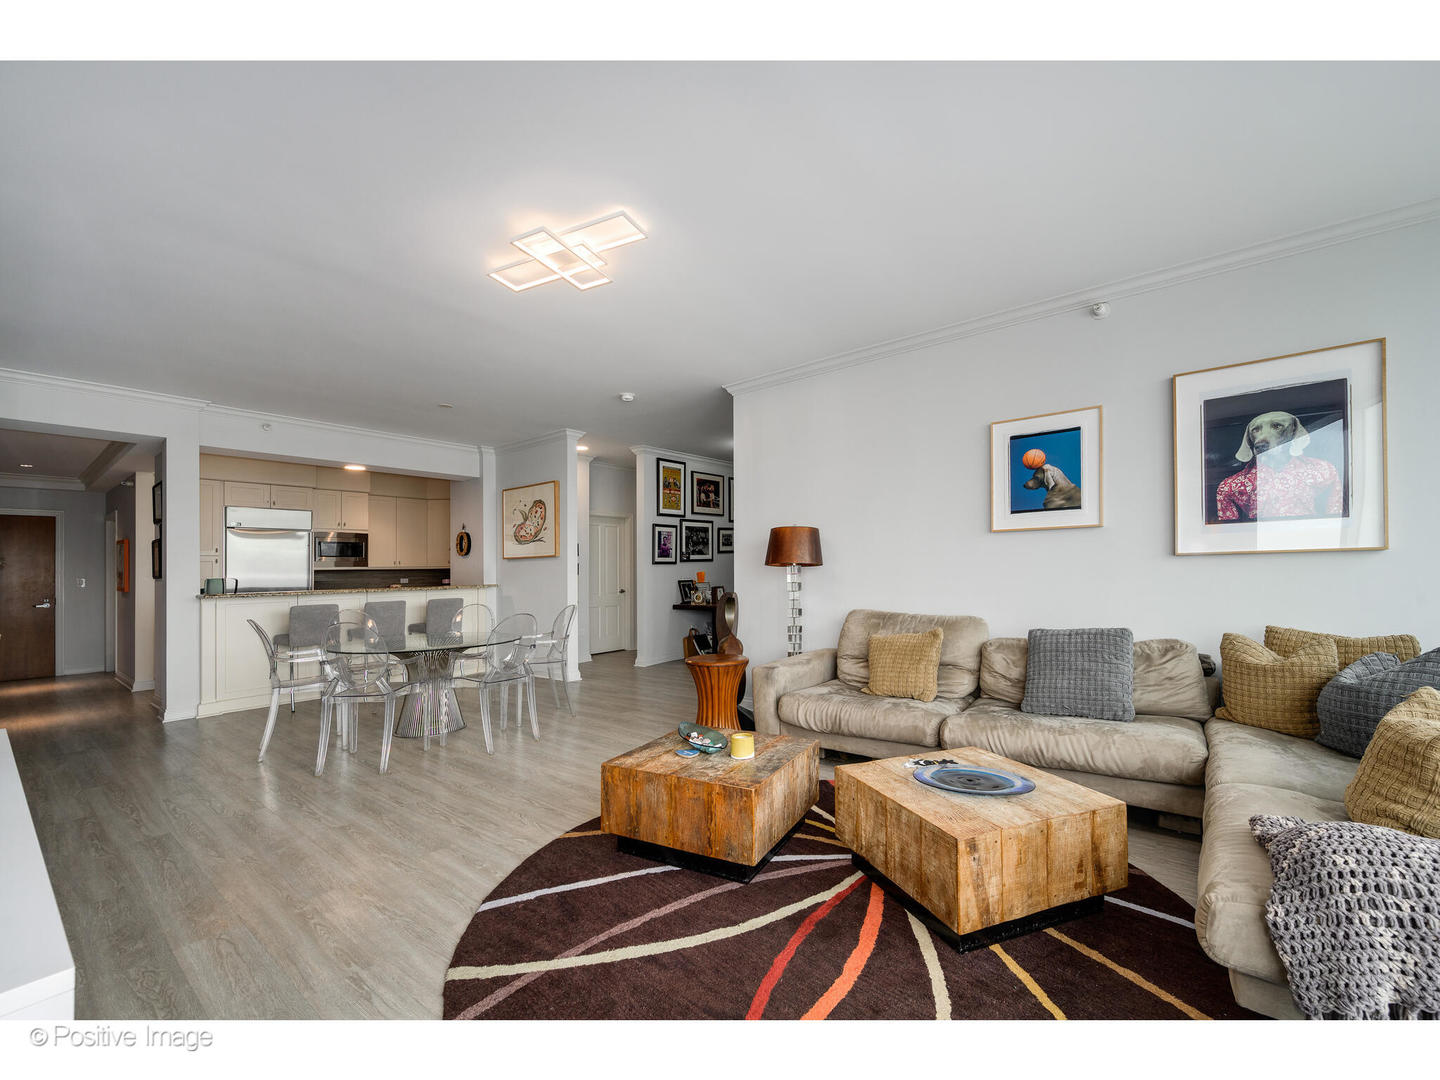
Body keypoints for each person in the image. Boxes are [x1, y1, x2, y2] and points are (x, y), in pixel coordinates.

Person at [1215, 410, 1342, 521]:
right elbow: (1229, 532)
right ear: (1249, 438)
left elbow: (1337, 517)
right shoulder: (1230, 486)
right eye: (1256, 430)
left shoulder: (1323, 471)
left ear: (1294, 431)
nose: (1261, 439)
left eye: (1277, 426)